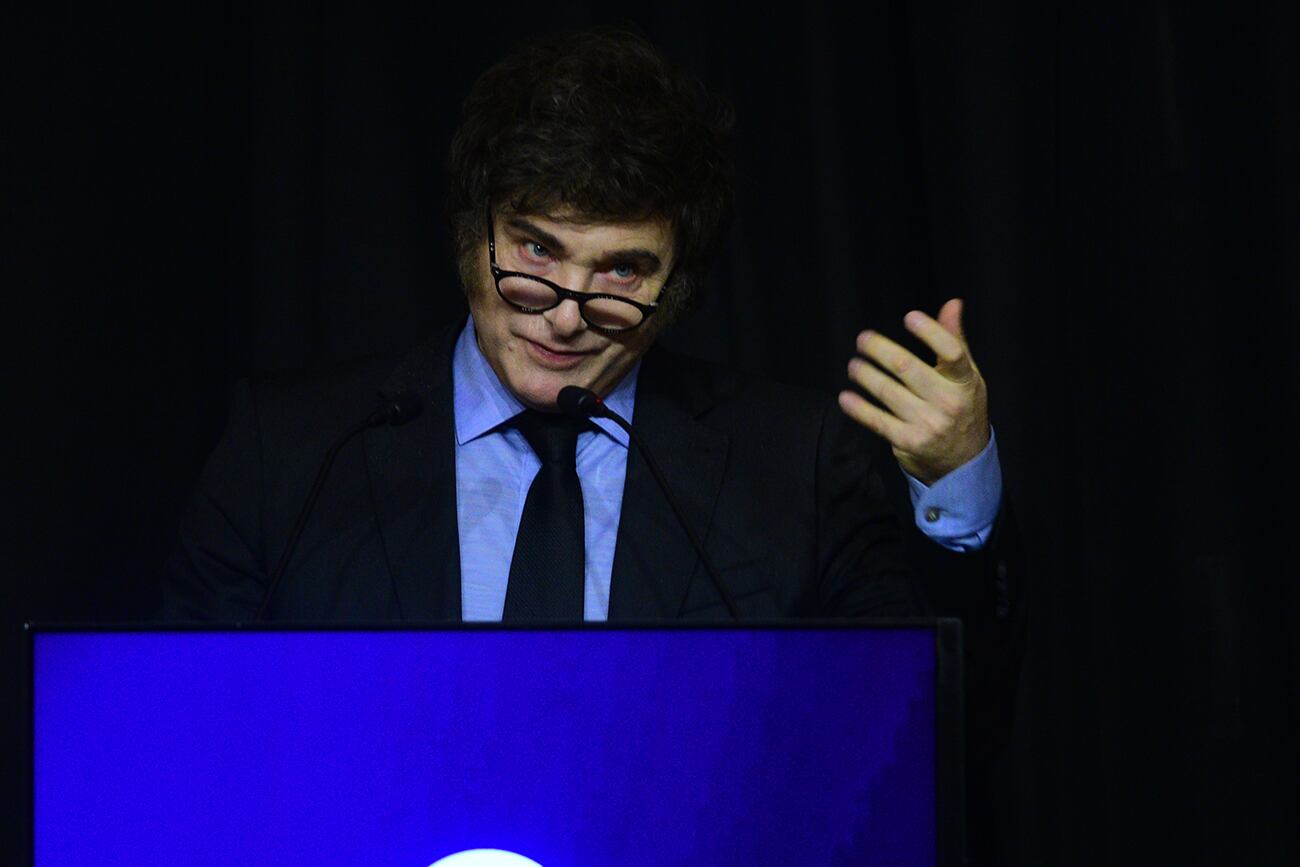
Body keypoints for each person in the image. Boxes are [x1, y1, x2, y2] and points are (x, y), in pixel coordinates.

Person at [160, 24, 1020, 724]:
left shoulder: (796, 464)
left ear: (676, 285)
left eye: (620, 271)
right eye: (537, 249)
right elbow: (183, 732)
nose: (567, 312)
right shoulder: (292, 451)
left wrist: (956, 483)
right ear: (472, 235)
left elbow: (936, 736)